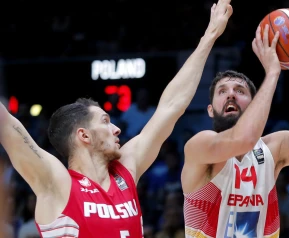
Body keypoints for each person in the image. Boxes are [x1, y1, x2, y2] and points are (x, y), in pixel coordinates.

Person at [0, 0, 233, 237]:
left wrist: (210, 35)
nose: (116, 129)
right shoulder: (57, 182)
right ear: (84, 135)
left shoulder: (126, 170)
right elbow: (6, 124)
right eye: (104, 121)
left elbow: (171, 107)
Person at [182, 11, 289, 237]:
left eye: (240, 91)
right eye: (222, 91)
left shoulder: (273, 149)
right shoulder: (199, 146)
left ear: (254, 105)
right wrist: (272, 73)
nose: (231, 95)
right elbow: (242, 140)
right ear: (210, 110)